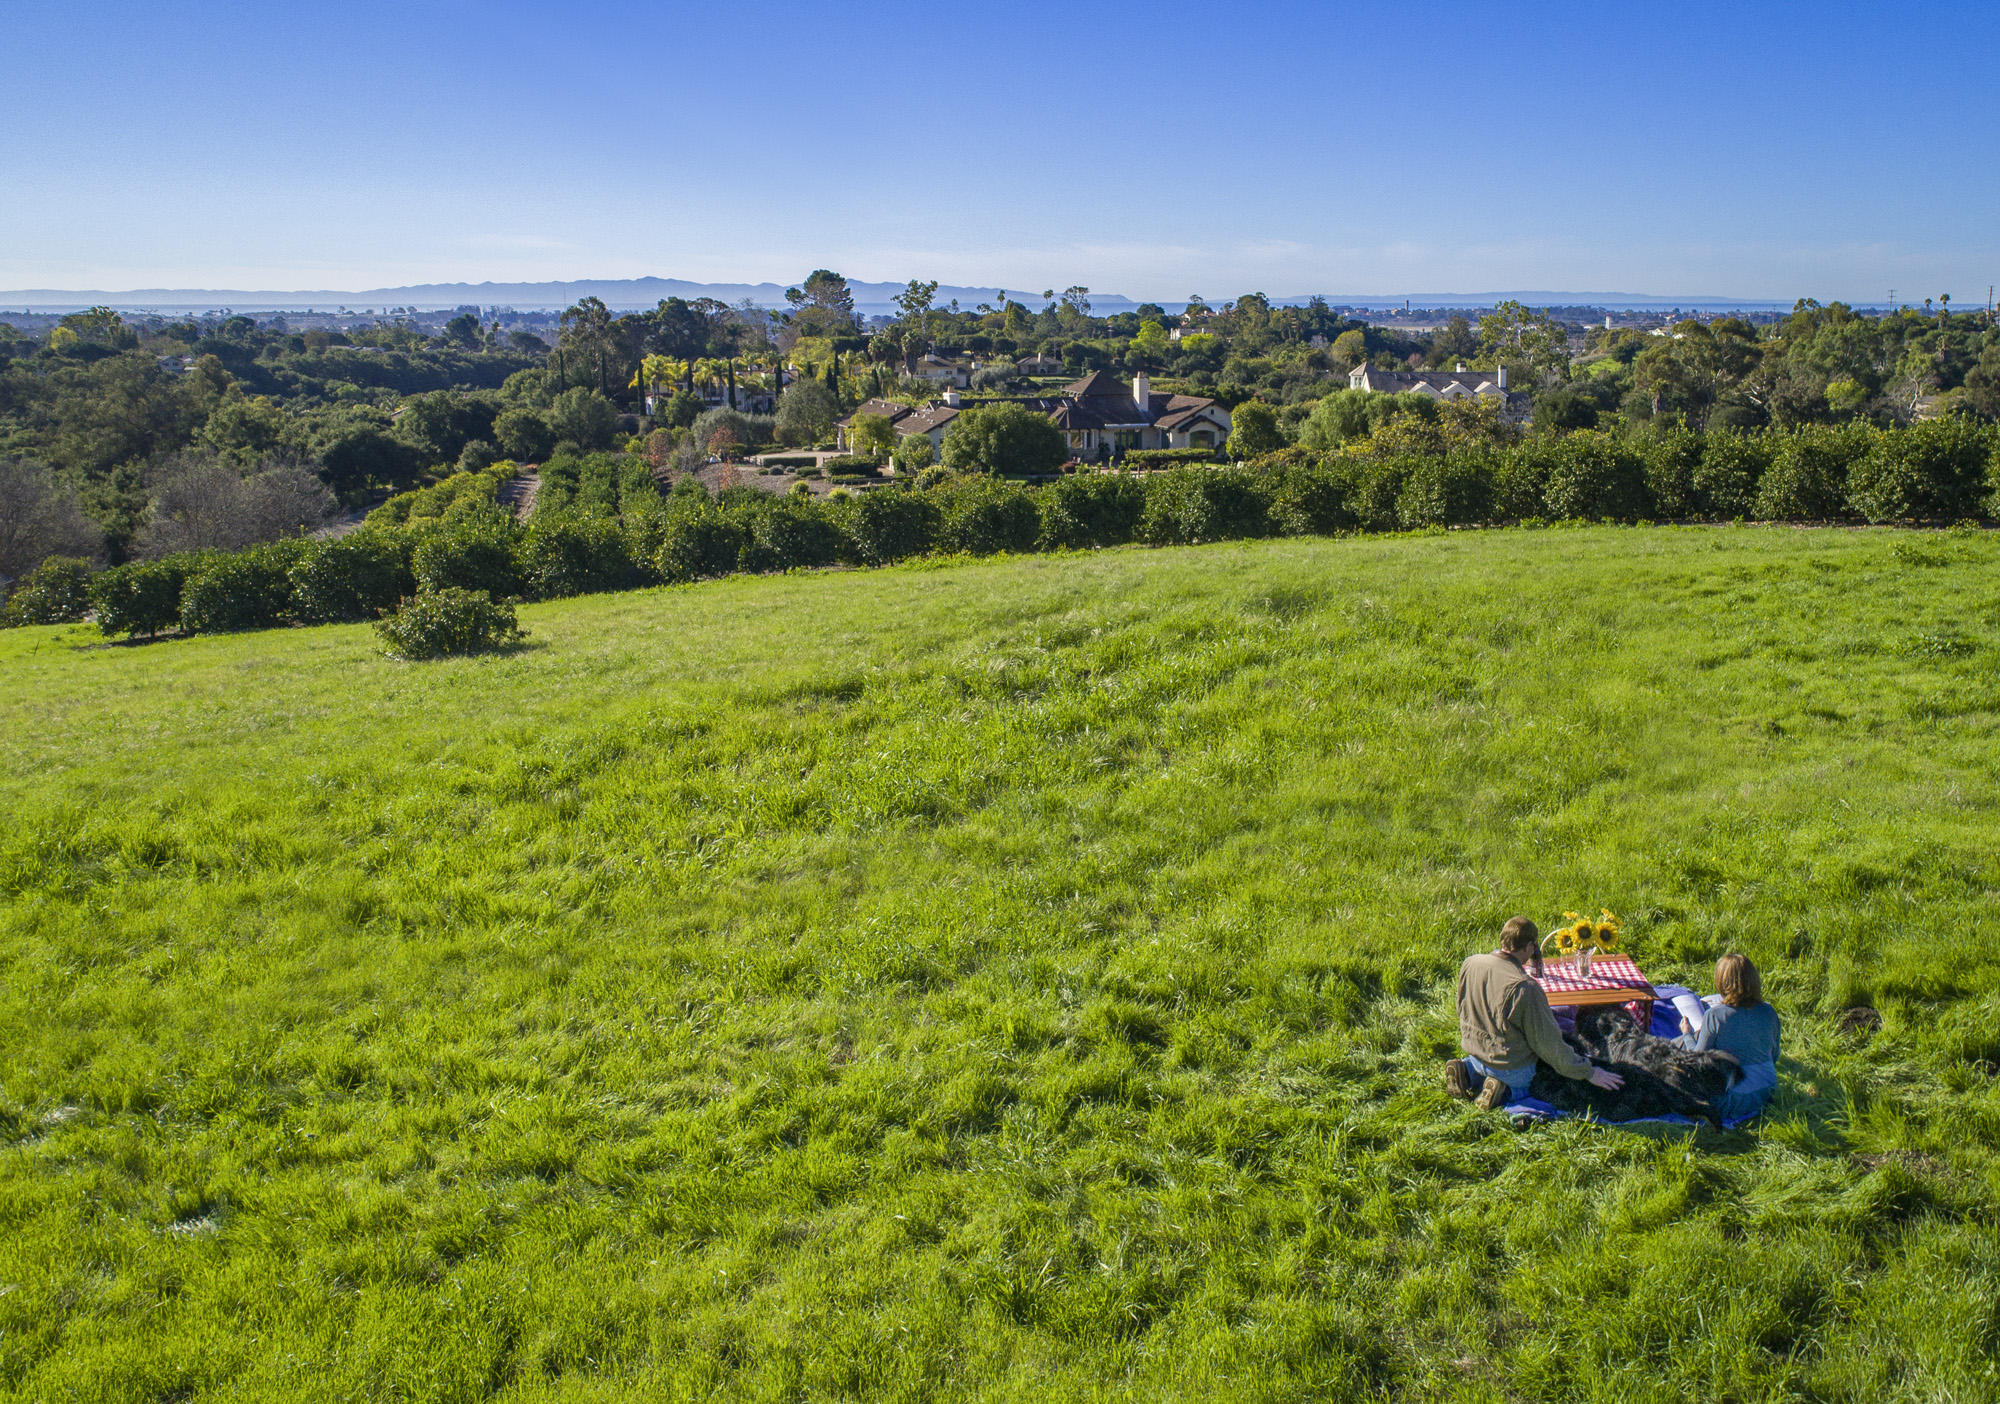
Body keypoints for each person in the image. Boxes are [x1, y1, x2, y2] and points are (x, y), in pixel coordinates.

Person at [1446, 916, 1625, 1110]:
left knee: (1482, 1062)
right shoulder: (1525, 987)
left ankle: (1468, 1071)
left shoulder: (1471, 963)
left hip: (1475, 1053)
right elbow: (1549, 1045)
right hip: (1510, 1068)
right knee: (1538, 1079)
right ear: (1530, 946)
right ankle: (1504, 1091)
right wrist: (1589, 1072)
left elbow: (1461, 1008)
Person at [1677, 953, 1781, 1120]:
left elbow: (1696, 1061)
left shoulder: (1715, 1016)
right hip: (1766, 1093)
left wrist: (1687, 1034)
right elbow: (1774, 1055)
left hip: (1731, 1100)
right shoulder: (1769, 1011)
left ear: (1722, 983)